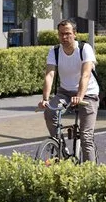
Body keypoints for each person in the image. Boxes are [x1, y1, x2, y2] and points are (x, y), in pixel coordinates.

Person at [42, 19, 98, 151]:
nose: (64, 37)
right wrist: (45, 99)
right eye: (61, 34)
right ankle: (60, 147)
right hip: (65, 92)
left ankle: (89, 170)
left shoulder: (85, 49)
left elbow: (86, 75)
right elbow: (50, 74)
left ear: (75, 34)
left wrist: (79, 96)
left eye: (67, 34)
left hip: (88, 93)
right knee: (50, 111)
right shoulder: (54, 51)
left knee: (86, 137)